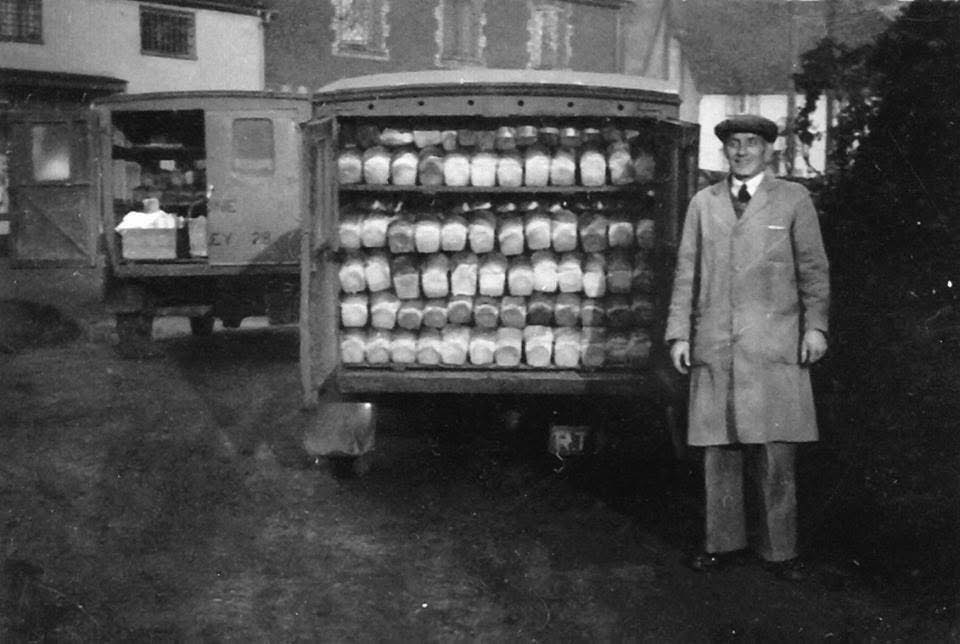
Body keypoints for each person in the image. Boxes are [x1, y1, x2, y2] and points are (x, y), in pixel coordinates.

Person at [664, 114, 830, 581]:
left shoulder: (793, 199)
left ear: (768, 151)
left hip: (773, 344)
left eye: (751, 144)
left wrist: (815, 327)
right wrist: (679, 333)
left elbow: (814, 270)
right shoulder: (704, 202)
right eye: (734, 144)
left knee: (776, 453)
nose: (741, 152)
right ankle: (723, 544)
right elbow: (686, 272)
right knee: (720, 449)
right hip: (716, 341)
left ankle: (781, 551)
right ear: (725, 151)